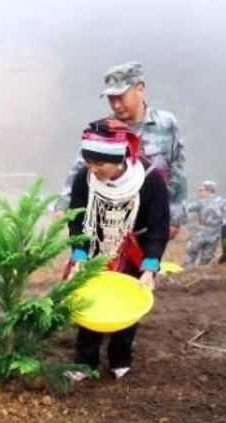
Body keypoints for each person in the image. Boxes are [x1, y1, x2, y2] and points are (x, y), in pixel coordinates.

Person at [66, 118, 170, 381]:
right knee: (91, 298)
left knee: (128, 299)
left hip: (134, 247)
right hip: (96, 243)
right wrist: (78, 254)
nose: (93, 169)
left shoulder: (150, 180)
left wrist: (150, 267)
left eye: (99, 163)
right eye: (89, 162)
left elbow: (159, 227)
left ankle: (120, 358)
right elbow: (77, 218)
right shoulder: (84, 178)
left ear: (120, 158)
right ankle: (85, 360)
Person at [54, 62, 186, 239]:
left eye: (121, 97)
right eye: (111, 99)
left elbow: (177, 169)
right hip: (110, 218)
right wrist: (64, 205)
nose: (116, 105)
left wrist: (174, 217)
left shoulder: (166, 123)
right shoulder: (103, 129)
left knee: (147, 264)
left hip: (151, 218)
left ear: (140, 89)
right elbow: (81, 168)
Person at [183, 181, 225, 268]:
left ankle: (186, 273)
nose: (200, 192)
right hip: (215, 234)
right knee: (207, 259)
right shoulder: (223, 201)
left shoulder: (201, 202)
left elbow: (187, 209)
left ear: (208, 190)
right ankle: (202, 276)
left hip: (201, 233)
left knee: (191, 255)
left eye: (201, 190)